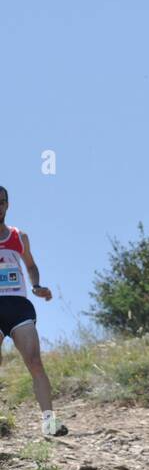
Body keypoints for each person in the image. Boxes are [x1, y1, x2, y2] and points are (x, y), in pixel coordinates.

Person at [0, 186, 67, 437]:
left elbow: (31, 265)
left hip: (18, 305)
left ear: (7, 205)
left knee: (35, 362)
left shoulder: (19, 236)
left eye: (1, 202)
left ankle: (49, 423)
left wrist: (37, 285)